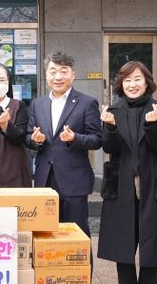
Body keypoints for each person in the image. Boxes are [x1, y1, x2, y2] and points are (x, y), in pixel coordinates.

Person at [97, 61, 157, 284]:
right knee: (123, 246)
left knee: (152, 247)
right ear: (121, 84)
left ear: (147, 82)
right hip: (121, 186)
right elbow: (109, 147)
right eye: (127, 80)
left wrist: (153, 126)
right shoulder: (113, 111)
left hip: (153, 185)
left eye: (137, 79)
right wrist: (110, 127)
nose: (132, 84)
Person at [26, 52, 102, 241]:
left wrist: (74, 138)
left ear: (72, 75)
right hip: (45, 179)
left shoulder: (87, 103)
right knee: (45, 235)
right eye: (53, 71)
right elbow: (28, 137)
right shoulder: (37, 104)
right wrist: (36, 140)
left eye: (63, 71)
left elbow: (97, 139)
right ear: (46, 75)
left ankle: (81, 263)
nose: (58, 77)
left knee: (77, 235)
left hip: (74, 180)